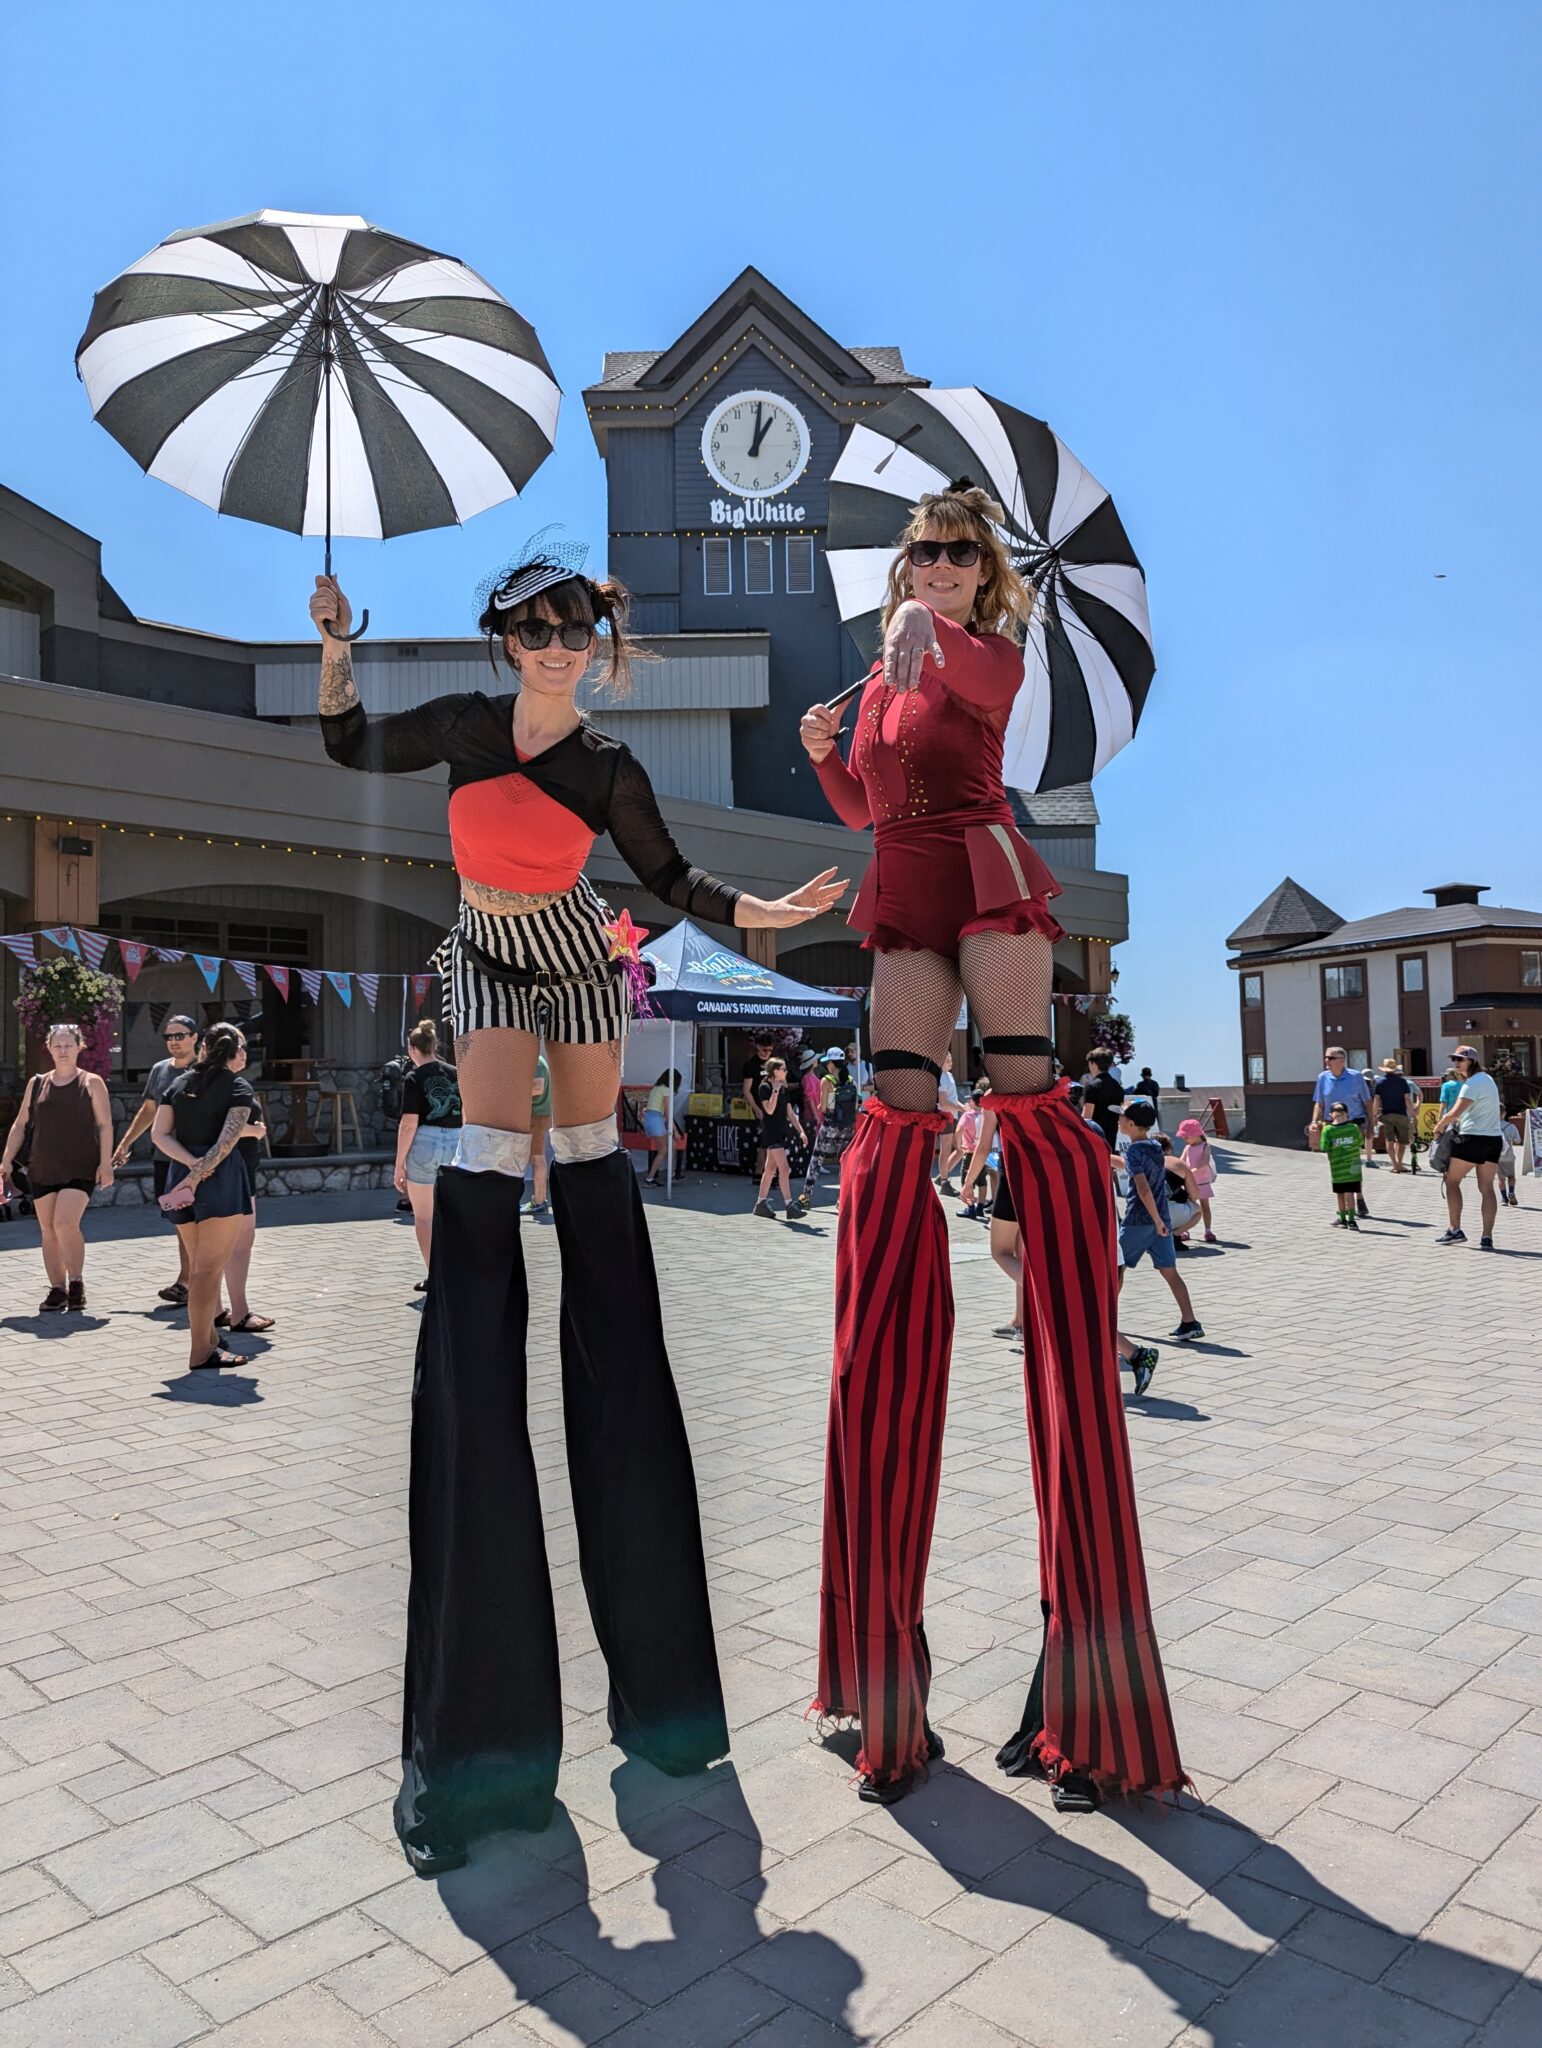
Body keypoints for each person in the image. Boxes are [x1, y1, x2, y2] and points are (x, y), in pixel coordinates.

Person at [315, 550, 842, 1875]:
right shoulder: (458, 726)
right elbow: (349, 746)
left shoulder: (607, 764)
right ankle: (495, 1728)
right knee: (489, 1161)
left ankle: (661, 1701)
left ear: (593, 645)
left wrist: (756, 910)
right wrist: (333, 644)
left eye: (569, 629)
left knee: (596, 1170)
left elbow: (666, 879)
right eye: (530, 628)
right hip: (486, 946)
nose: (551, 645)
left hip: (577, 953)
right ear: (501, 640)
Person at [800, 480, 1184, 1809]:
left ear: (985, 571)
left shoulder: (985, 650)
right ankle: (878, 1687)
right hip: (902, 878)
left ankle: (1066, 1269)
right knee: (888, 1129)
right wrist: (820, 750)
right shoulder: (877, 673)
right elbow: (861, 807)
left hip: (983, 871)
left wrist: (927, 637)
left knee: (1030, 1108)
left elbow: (972, 689)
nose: (936, 563)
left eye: (957, 550)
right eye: (921, 548)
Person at [153, 1022, 256, 1371]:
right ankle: (201, 1351)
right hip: (218, 1180)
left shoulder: (178, 1083)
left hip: (181, 1174)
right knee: (207, 1271)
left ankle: (210, 1341)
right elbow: (227, 1142)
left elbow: (159, 1136)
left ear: (204, 1048)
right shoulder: (238, 1086)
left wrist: (189, 1167)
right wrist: (199, 1175)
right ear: (232, 1052)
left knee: (199, 1268)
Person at [0, 1022, 114, 1313]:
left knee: (65, 1223)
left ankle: (76, 1282)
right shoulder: (37, 1083)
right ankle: (57, 1289)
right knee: (48, 1229)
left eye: (69, 1045)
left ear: (79, 1047)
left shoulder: (91, 1082)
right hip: (43, 1165)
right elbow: (21, 1123)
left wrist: (105, 1163)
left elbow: (104, 1125)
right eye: (58, 1045)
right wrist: (5, 1160)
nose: (63, 1050)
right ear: (49, 1048)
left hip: (80, 1165)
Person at [112, 1014, 199, 1303]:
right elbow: (149, 1110)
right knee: (181, 1220)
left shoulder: (205, 1070)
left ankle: (196, 1282)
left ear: (195, 1037)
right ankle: (187, 1281)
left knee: (200, 1221)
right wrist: (125, 1144)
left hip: (197, 1159)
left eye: (180, 1035)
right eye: (169, 1036)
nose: (173, 1041)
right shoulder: (160, 1070)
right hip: (166, 1159)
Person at [1117, 1101, 1204, 1340]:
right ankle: (1190, 1321)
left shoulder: (1134, 1150)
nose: (1118, 1121)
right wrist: (1161, 1221)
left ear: (1132, 1124)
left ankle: (1105, 1320)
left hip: (1140, 1219)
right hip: (1161, 1218)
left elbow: (1143, 1188)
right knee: (1170, 1271)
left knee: (1115, 1266)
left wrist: (1155, 1220)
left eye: (1122, 1117)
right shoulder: (1155, 1145)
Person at [393, 1019, 464, 1283]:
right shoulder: (456, 1072)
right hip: (456, 1141)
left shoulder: (413, 1077)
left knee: (424, 1216)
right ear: (434, 1045)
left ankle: (435, 1276)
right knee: (454, 1213)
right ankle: (456, 1271)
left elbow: (409, 1124)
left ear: (412, 1049)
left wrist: (400, 1163)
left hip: (425, 1141)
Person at [216, 1035, 274, 1335]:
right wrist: (253, 1130)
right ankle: (239, 1312)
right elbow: (223, 1130)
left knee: (214, 1246)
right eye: (239, 1047)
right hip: (235, 1174)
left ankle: (216, 1309)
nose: (244, 1052)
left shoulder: (200, 1083)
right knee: (239, 1244)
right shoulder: (231, 1085)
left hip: (223, 1172)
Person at [1433, 1046, 1503, 1249]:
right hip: (1493, 1139)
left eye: (1461, 1059)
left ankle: (1455, 1230)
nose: (1456, 1062)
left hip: (1473, 1138)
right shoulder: (1487, 1080)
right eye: (1454, 1058)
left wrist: (1438, 1126)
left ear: (1471, 1061)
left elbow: (1455, 1113)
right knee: (1487, 1188)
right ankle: (1487, 1236)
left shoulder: (1470, 1084)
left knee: (1451, 1180)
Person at [792, 1049, 861, 1215]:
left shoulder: (827, 1080)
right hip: (847, 1127)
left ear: (830, 1063)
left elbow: (825, 1107)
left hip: (830, 1126)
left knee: (816, 1159)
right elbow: (856, 1104)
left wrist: (820, 1107)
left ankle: (806, 1197)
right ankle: (842, 1199)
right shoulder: (850, 1080)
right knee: (844, 1162)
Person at [1308, 1048, 1372, 1218]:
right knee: (1336, 1163)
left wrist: (1371, 1123)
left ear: (1341, 1060)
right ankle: (1343, 1204)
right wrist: (1314, 1122)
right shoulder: (1323, 1077)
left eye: (1330, 1058)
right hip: (1332, 1126)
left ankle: (1358, 1198)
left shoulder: (1356, 1077)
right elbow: (1319, 1103)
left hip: (1353, 1124)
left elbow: (1367, 1101)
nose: (1326, 1060)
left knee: (1352, 1163)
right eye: (1326, 1057)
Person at [752, 1057, 805, 1216]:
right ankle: (789, 1205)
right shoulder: (764, 1087)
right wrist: (775, 1090)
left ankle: (760, 1203)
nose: (786, 1072)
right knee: (785, 1169)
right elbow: (768, 1109)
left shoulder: (784, 1089)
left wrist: (801, 1131)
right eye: (784, 1069)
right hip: (771, 1132)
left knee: (770, 1169)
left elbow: (790, 1113)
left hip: (780, 1132)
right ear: (775, 1071)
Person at [1320, 1101, 1364, 1230]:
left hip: (1337, 1166)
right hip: (1354, 1165)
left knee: (1340, 1194)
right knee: (1350, 1192)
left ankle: (1343, 1220)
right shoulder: (1354, 1128)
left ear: (1331, 1115)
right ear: (1347, 1114)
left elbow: (1323, 1147)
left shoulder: (1328, 1130)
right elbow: (1360, 1142)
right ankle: (1352, 1221)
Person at [1174, 1117, 1218, 1242]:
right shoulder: (1187, 1148)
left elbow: (1204, 1161)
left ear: (1195, 1134)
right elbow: (1181, 1162)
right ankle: (1184, 1230)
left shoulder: (1205, 1147)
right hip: (1189, 1182)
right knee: (1187, 1207)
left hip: (1202, 1182)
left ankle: (1208, 1231)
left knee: (1205, 1207)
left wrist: (1192, 1171)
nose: (1184, 1138)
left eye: (1186, 1136)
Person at [1373, 1058, 1418, 1174]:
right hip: (1401, 1114)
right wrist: (1413, 1115)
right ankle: (1400, 1162)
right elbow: (1407, 1099)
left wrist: (1374, 1115)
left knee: (1390, 1140)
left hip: (1387, 1114)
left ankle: (1394, 1165)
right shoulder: (1402, 1082)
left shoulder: (1379, 1082)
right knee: (1402, 1141)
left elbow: (1377, 1100)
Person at [642, 1068, 681, 1188]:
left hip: (649, 1119)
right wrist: (676, 1131)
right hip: (655, 1120)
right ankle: (649, 1178)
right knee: (663, 1151)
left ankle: (672, 1174)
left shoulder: (656, 1088)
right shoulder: (666, 1090)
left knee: (672, 1145)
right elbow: (668, 1113)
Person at [1080, 1048, 1125, 1150]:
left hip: (1095, 1137)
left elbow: (1087, 1117)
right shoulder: (1118, 1087)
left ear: (1093, 1064)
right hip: (1112, 1136)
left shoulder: (1092, 1087)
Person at [525, 1052, 553, 1212]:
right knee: (537, 1158)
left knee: (537, 1159)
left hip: (536, 1116)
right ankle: (539, 1200)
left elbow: (537, 1087)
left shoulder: (536, 1062)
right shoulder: (537, 1061)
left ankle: (540, 1201)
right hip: (537, 1116)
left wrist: (511, 1094)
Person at [1497, 1113, 1520, 1207]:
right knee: (1511, 1176)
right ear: (1504, 1113)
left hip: (1496, 1156)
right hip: (1509, 1156)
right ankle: (1511, 1192)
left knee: (1500, 1179)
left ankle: (1504, 1198)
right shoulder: (1511, 1126)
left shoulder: (1491, 1125)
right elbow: (1518, 1141)